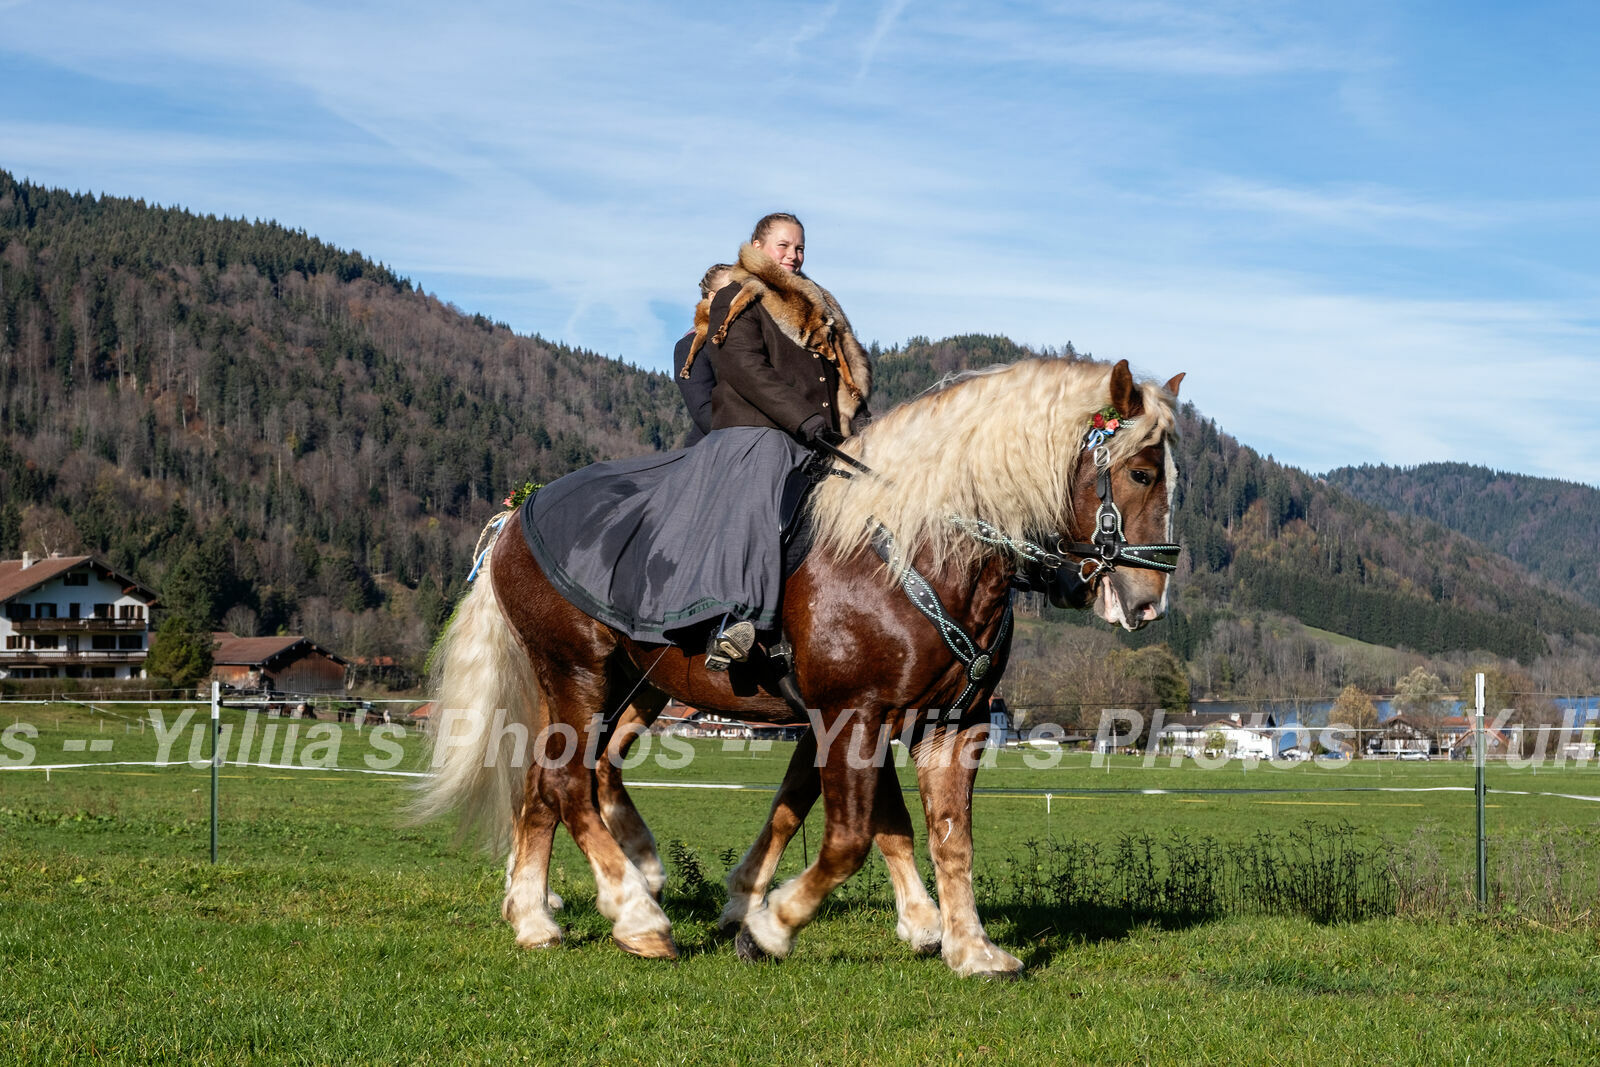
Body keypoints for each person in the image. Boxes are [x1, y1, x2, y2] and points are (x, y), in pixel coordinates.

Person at [519, 212, 873, 672]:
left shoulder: (816, 304)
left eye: (800, 248)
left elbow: (841, 370)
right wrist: (802, 419)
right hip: (757, 430)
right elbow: (744, 367)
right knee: (761, 475)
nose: (793, 255)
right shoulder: (737, 296)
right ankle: (728, 618)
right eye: (784, 245)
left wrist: (857, 426)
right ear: (759, 246)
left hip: (817, 434)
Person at [672, 263, 733, 444]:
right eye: (733, 289)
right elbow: (704, 411)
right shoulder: (689, 346)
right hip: (712, 451)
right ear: (713, 297)